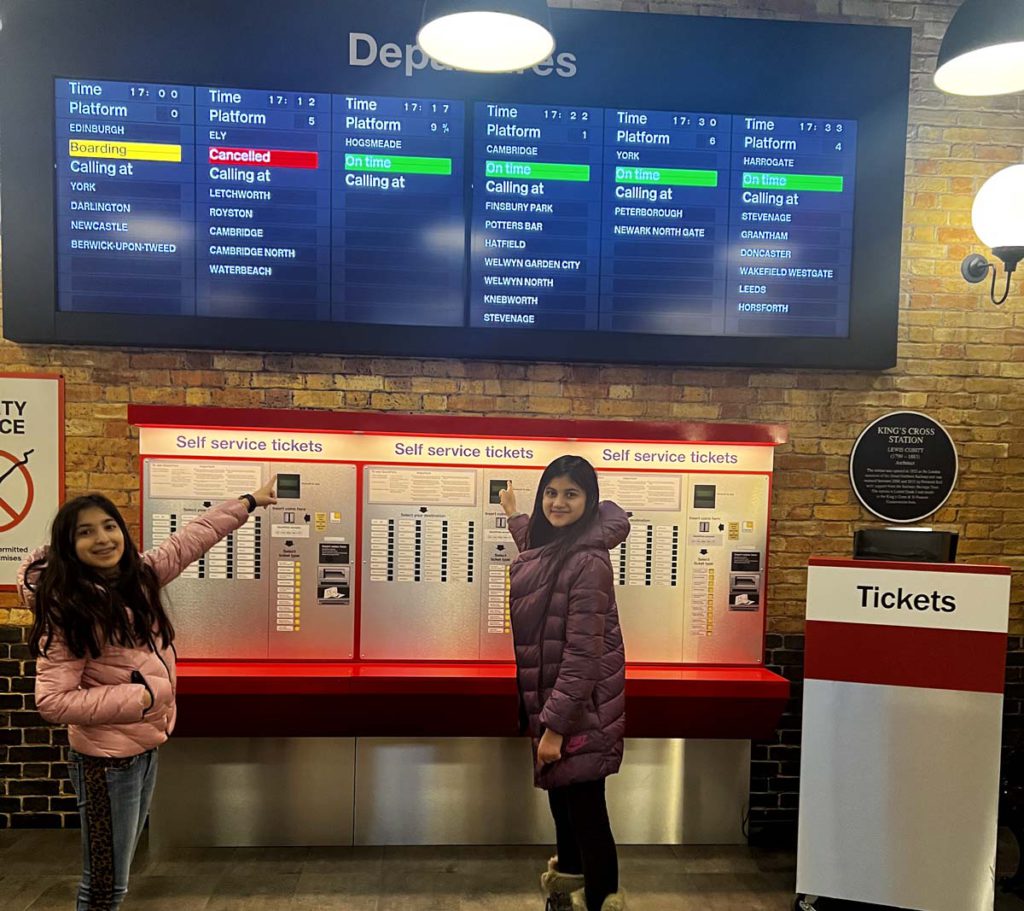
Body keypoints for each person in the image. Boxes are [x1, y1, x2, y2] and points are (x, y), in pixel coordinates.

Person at [18, 478, 277, 911]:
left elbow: (189, 540)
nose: (103, 539)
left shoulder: (135, 579)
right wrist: (138, 698)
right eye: (86, 532)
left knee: (116, 877)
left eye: (109, 526)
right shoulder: (66, 609)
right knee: (104, 886)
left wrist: (248, 502)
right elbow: (52, 702)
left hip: (143, 749)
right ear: (67, 545)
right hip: (104, 764)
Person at [499, 456, 629, 911]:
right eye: (550, 493)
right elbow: (537, 554)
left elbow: (583, 655)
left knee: (588, 813)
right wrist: (514, 513)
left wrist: (554, 728)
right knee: (564, 804)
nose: (558, 502)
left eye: (571, 494)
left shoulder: (589, 563)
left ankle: (602, 901)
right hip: (559, 705)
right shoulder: (560, 549)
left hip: (580, 712)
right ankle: (568, 891)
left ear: (589, 501)